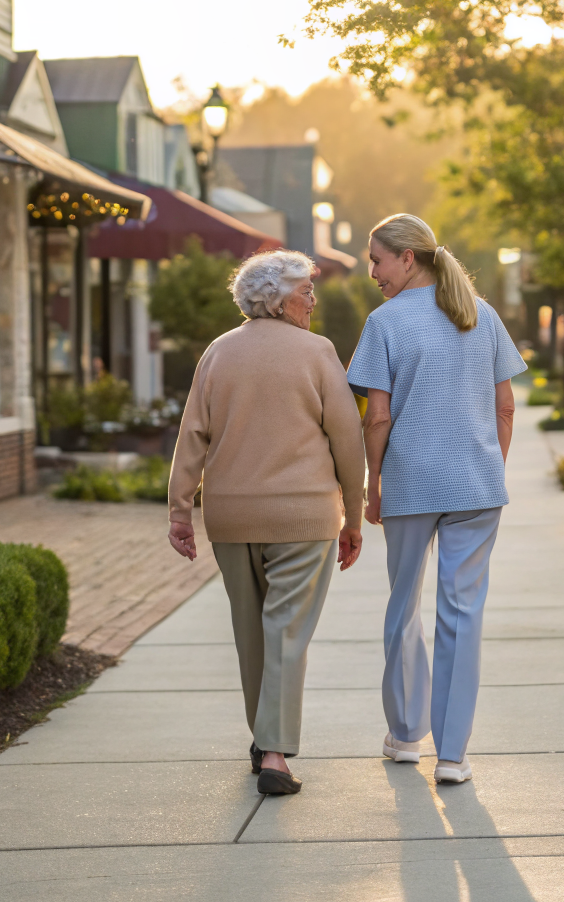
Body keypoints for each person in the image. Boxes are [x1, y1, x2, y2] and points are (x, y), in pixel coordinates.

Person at [167, 250, 366, 796]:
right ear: (276, 299)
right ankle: (274, 753)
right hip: (303, 515)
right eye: (306, 291)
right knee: (285, 631)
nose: (313, 300)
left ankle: (263, 740)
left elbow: (193, 435)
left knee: (251, 632)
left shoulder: (218, 353)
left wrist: (180, 509)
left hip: (231, 515)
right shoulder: (319, 352)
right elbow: (347, 438)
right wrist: (353, 512)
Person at [346, 214, 525, 785]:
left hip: (410, 482)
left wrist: (375, 486)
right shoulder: (481, 314)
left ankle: (404, 738)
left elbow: (377, 417)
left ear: (408, 258)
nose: (371, 271)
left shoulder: (385, 323)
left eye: (376, 259)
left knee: (403, 607)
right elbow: (505, 408)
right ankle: (452, 756)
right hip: (475, 483)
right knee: (462, 614)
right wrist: (488, 469)